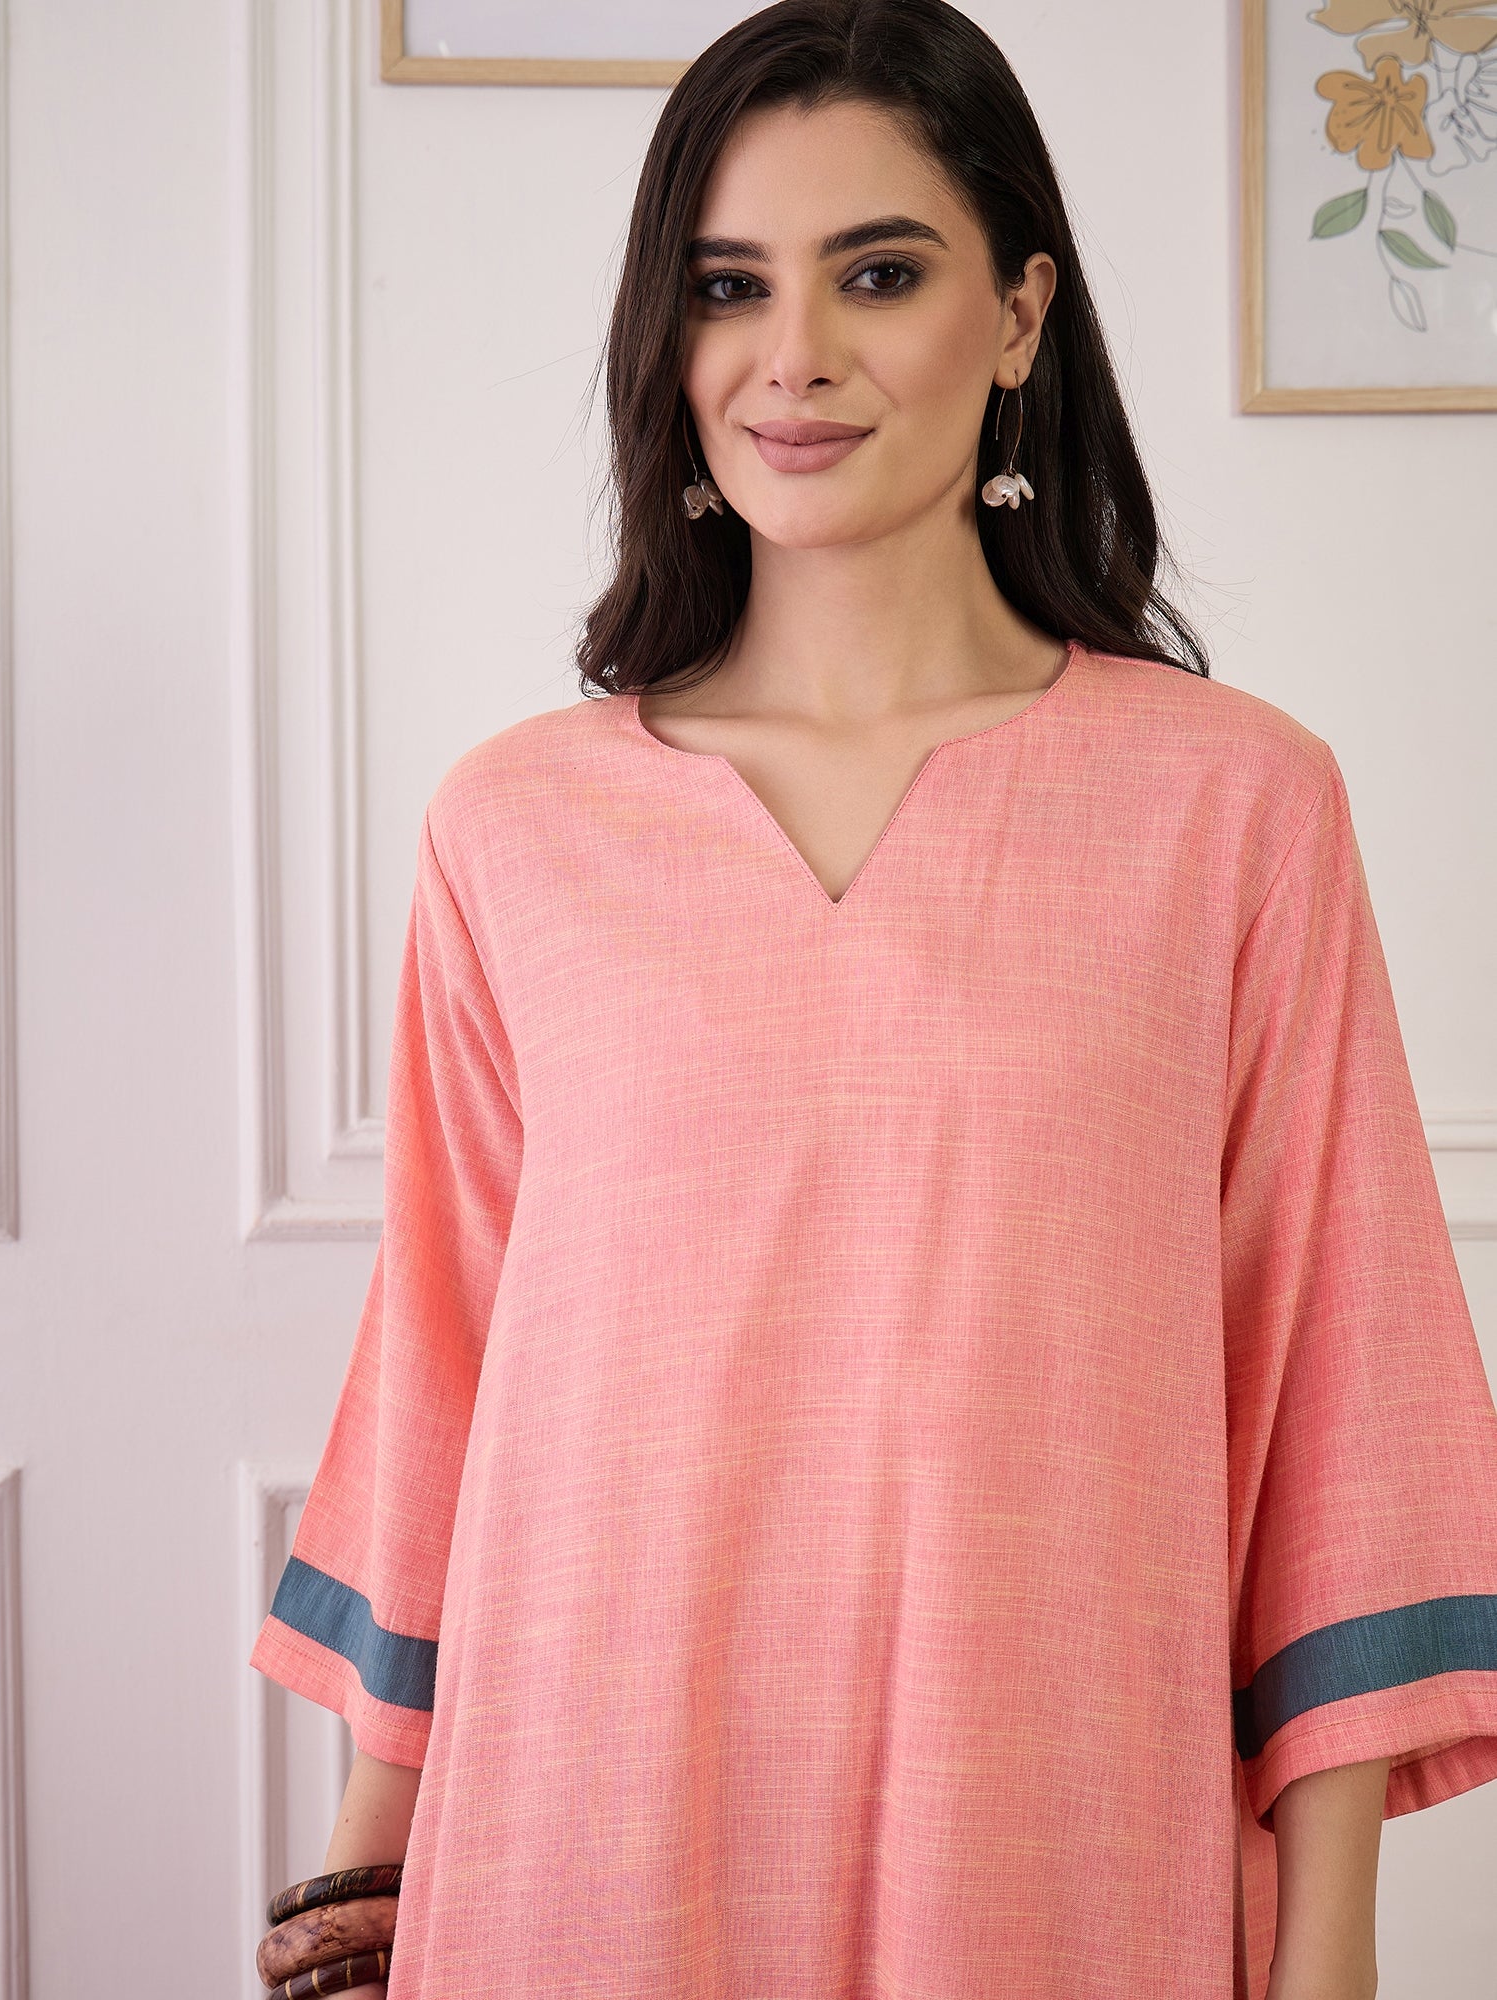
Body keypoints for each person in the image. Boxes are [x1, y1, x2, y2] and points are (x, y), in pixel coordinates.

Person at [248, 4, 1497, 1997]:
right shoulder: (517, 828)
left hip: (1056, 1837)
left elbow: (1338, 1387)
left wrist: (1329, 1948)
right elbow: (445, 1375)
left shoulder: (1233, 808)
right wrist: (355, 1885)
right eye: (728, 286)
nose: (795, 354)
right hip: (584, 1834)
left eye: (881, 274)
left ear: (1019, 316)